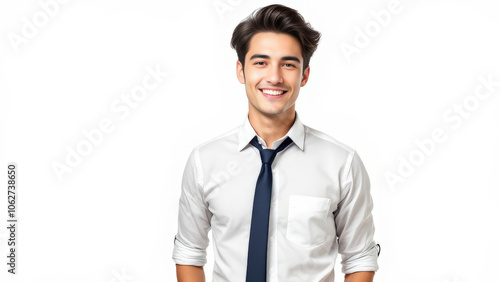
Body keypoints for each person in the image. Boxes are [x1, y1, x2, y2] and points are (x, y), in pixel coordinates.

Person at [172, 4, 379, 282]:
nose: (275, 77)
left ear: (304, 75)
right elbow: (189, 252)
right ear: (241, 71)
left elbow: (359, 258)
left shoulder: (341, 163)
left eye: (289, 64)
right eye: (261, 62)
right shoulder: (205, 161)